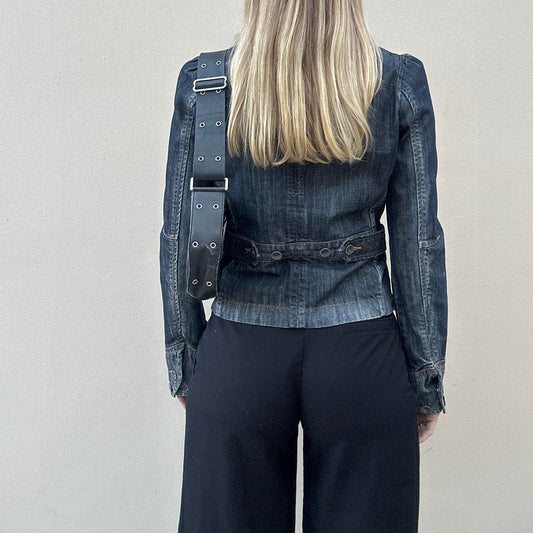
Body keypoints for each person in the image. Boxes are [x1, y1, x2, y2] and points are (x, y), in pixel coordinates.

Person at [159, 1, 448, 531]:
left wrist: (187, 362)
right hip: (359, 353)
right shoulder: (398, 83)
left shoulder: (206, 84)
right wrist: (425, 376)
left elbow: (180, 235)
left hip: (241, 350)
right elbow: (418, 244)